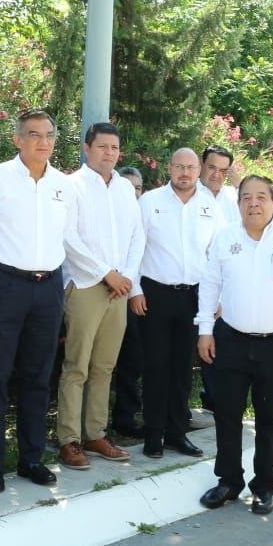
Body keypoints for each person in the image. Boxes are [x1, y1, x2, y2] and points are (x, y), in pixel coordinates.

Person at [196, 175, 273, 514]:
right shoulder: (225, 238)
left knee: (270, 416)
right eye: (246, 198)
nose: (253, 204)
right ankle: (228, 481)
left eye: (260, 197)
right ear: (238, 204)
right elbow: (209, 286)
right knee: (227, 414)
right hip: (231, 340)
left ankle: (263, 484)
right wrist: (205, 330)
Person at [0, 109, 69, 491]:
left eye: (49, 135)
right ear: (17, 139)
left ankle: (31, 458)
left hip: (48, 289)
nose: (43, 141)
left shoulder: (63, 185)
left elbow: (67, 238)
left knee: (38, 377)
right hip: (4, 284)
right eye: (34, 134)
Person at [55, 123, 143, 470]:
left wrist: (126, 278)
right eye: (103, 146)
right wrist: (106, 273)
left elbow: (138, 236)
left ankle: (95, 433)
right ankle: (68, 439)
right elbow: (68, 237)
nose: (109, 153)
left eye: (115, 147)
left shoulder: (123, 188)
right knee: (76, 366)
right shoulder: (72, 185)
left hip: (119, 288)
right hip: (87, 284)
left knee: (105, 366)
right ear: (87, 148)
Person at [130, 148, 219, 459]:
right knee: (155, 366)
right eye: (179, 166)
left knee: (183, 368)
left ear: (199, 170)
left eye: (190, 167)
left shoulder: (210, 205)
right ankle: (153, 435)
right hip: (154, 294)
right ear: (169, 168)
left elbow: (216, 256)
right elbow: (134, 247)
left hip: (193, 296)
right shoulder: (150, 202)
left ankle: (177, 433)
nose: (185, 172)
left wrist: (216, 299)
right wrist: (135, 290)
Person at [111, 167, 146, 438]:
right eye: (127, 186)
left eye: (137, 188)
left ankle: (128, 415)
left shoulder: (146, 214)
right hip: (113, 293)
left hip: (139, 297)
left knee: (134, 361)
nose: (133, 192)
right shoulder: (112, 216)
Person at [201, 145, 240, 227]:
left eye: (222, 170)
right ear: (201, 165)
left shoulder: (234, 195)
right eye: (212, 168)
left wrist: (239, 185)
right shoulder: (187, 193)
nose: (216, 175)